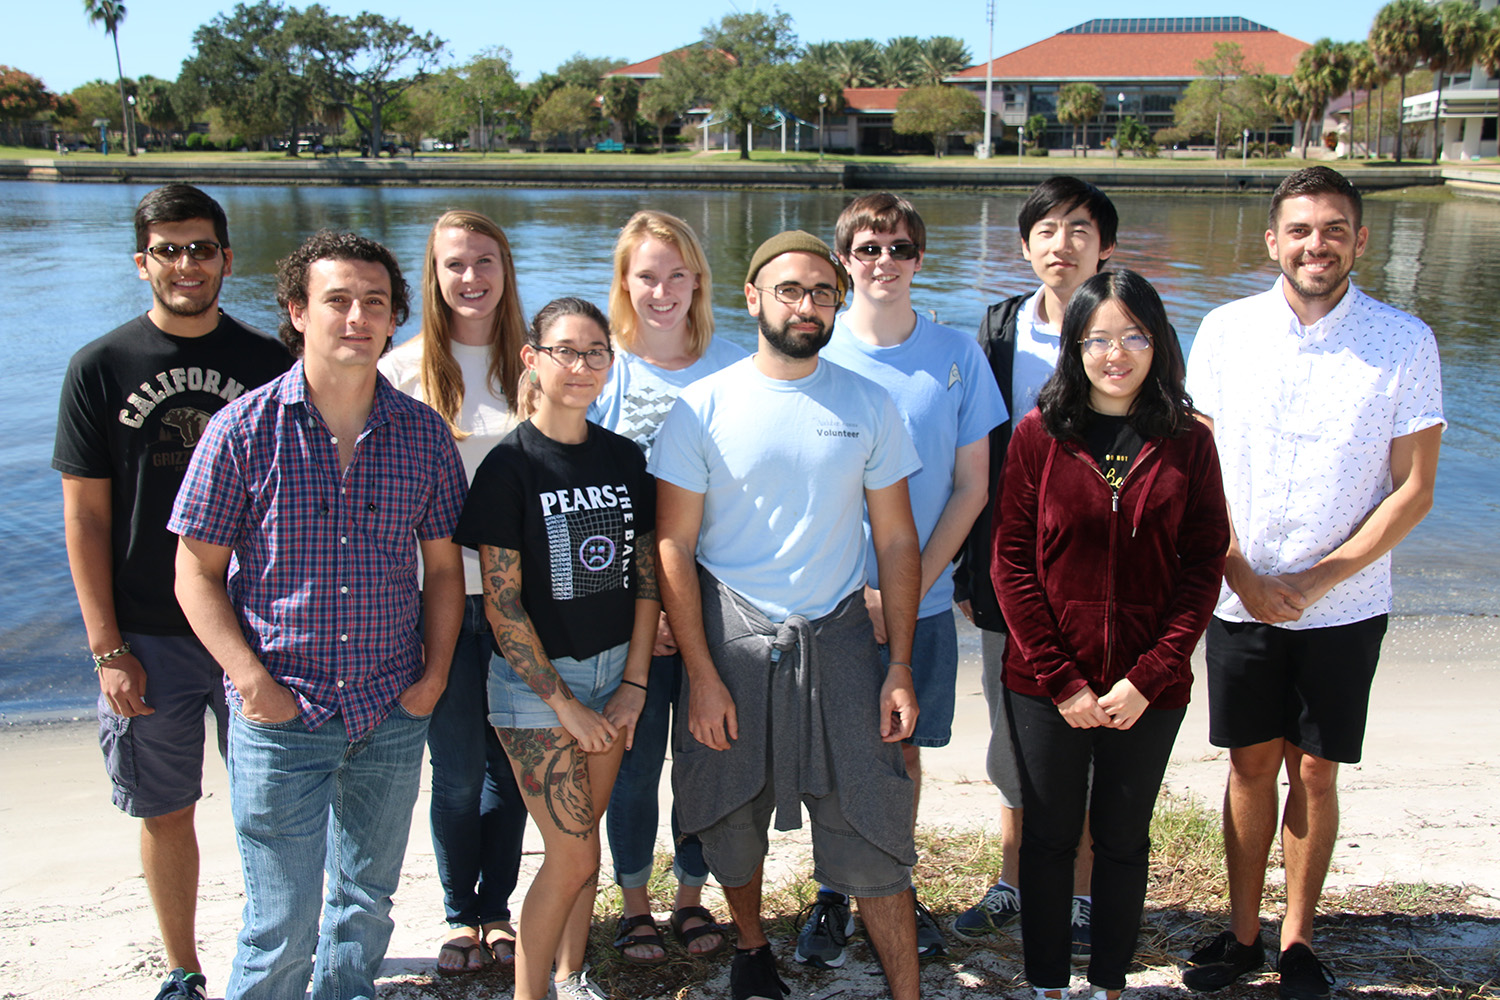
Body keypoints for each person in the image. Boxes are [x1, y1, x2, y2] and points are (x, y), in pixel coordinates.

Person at [169, 230, 468, 1000]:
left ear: (395, 319)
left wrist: (433, 677)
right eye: (337, 301)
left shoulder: (425, 436)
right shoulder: (242, 430)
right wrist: (250, 683)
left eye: (374, 303)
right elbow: (195, 574)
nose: (356, 318)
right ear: (299, 312)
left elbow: (441, 570)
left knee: (365, 904)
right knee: (282, 921)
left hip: (391, 706)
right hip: (280, 710)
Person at [1182, 166, 1444, 1000]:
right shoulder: (1225, 331)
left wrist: (1324, 576)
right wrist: (1241, 573)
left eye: (1334, 228)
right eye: (1300, 229)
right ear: (1272, 241)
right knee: (1250, 764)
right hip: (1239, 594)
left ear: (1360, 240)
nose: (1316, 244)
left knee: (1317, 771)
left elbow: (1414, 488)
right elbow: (1195, 474)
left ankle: (1297, 939)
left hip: (1350, 601)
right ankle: (1243, 932)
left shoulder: (1405, 340)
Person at [652, 230, 925, 1000]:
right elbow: (673, 544)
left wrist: (899, 662)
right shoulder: (702, 407)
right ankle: (751, 950)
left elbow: (898, 539)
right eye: (791, 291)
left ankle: (906, 991)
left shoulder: (867, 403)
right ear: (753, 298)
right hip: (731, 639)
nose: (808, 306)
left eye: (823, 293)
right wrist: (701, 673)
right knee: (730, 818)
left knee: (872, 823)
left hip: (837, 637)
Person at [52, 183, 290, 1000]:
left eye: (200, 248)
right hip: (149, 633)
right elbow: (85, 520)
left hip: (257, 630)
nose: (186, 264)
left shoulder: (269, 363)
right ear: (142, 262)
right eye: (169, 249)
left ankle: (281, 954)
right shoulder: (100, 368)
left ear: (227, 258)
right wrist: (106, 647)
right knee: (167, 809)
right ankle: (183, 968)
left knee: (278, 810)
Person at [996, 269, 1228, 1000]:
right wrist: (1063, 681)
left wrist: (1146, 678)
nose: (1116, 353)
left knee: (1124, 840)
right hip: (1045, 684)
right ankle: (1046, 985)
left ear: (1158, 342)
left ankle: (1109, 985)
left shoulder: (1189, 441)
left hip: (1147, 688)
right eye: (1098, 339)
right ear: (1075, 347)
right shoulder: (1039, 433)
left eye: (1133, 336)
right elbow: (1010, 564)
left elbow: (1202, 569)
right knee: (1050, 838)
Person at [809, 192, 1005, 964]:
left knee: (900, 749)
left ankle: (892, 883)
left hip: (918, 598)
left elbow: (972, 488)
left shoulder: (958, 355)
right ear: (844, 261)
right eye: (866, 248)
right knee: (825, 748)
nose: (882, 262)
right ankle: (832, 892)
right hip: (825, 596)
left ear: (919, 259)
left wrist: (907, 587)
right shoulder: (815, 351)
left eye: (897, 248)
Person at [453, 297, 661, 1000]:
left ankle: (573, 976)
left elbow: (644, 580)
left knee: (581, 844)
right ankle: (530, 993)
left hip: (614, 677)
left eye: (595, 352)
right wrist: (563, 704)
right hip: (535, 686)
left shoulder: (626, 458)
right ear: (532, 360)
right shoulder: (507, 468)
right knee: (570, 855)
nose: (580, 366)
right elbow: (502, 602)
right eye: (565, 351)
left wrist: (634, 683)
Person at [952, 176, 1117, 950]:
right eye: (1046, 230)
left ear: (1104, 246)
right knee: (1013, 730)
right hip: (1006, 568)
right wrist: (964, 568)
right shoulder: (999, 327)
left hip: (1099, 577)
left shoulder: (1123, 325)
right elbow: (975, 456)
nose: (1062, 243)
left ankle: (1084, 893)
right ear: (1025, 247)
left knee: (1087, 727)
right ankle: (1013, 881)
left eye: (1079, 229)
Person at [591, 210, 745, 964]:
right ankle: (633, 904)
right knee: (634, 758)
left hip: (720, 600)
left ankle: (690, 895)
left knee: (706, 757)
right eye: (646, 275)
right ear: (625, 282)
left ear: (698, 280)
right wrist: (636, 609)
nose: (662, 290)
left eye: (676, 274)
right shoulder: (602, 371)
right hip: (628, 610)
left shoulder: (736, 364)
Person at [378, 209, 528, 974]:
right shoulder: (401, 371)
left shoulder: (533, 366)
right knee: (459, 769)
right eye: (454, 266)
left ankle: (497, 911)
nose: (471, 279)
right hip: (432, 601)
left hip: (520, 605)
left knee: (512, 768)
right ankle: (458, 913)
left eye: (484, 262)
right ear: (433, 278)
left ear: (506, 269)